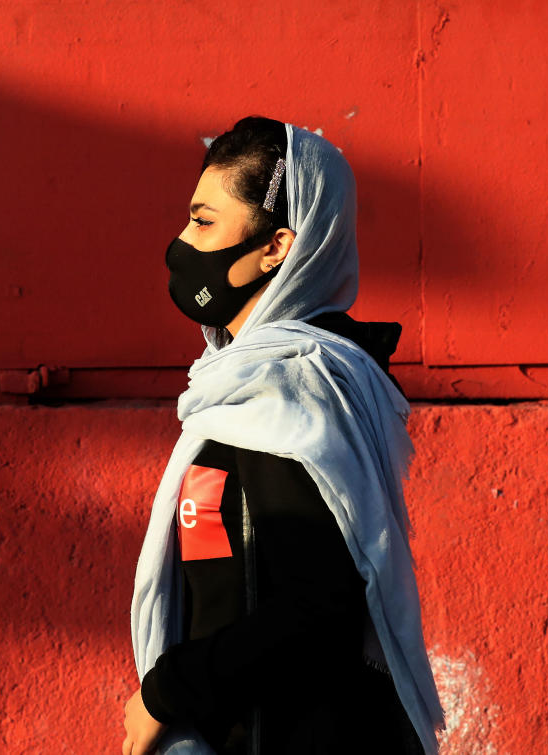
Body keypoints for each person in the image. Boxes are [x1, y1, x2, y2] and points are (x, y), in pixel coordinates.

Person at [124, 116, 446, 755]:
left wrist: (170, 692)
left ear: (277, 247)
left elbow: (318, 606)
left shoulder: (290, 393)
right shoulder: (240, 388)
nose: (181, 244)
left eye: (205, 222)